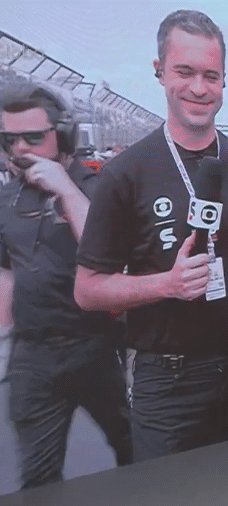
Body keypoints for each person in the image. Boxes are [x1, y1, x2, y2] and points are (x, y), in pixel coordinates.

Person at [74, 9, 228, 462]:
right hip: (167, 384)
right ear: (160, 72)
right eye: (184, 72)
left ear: (224, 81)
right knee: (168, 491)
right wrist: (165, 284)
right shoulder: (125, 173)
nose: (198, 88)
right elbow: (88, 290)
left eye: (211, 76)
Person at [0, 84, 132, 488]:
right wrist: (4, 340)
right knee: (38, 475)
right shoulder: (8, 198)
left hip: (96, 345)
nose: (20, 149)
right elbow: (6, 271)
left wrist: (65, 189)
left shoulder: (95, 187)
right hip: (33, 353)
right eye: (9, 140)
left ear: (63, 135)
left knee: (135, 448)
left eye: (32, 137)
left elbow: (107, 253)